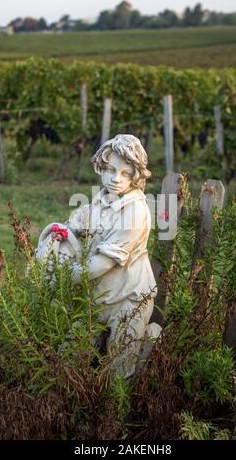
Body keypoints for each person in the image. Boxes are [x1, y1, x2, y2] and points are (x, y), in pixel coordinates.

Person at [37, 134, 161, 377]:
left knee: (120, 368)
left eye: (125, 173)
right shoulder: (100, 202)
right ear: (101, 167)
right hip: (97, 298)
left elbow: (100, 264)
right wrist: (54, 240)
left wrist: (59, 277)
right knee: (68, 358)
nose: (116, 179)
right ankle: (69, 407)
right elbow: (70, 226)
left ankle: (115, 409)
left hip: (129, 299)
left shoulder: (136, 212)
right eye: (111, 170)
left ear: (136, 176)